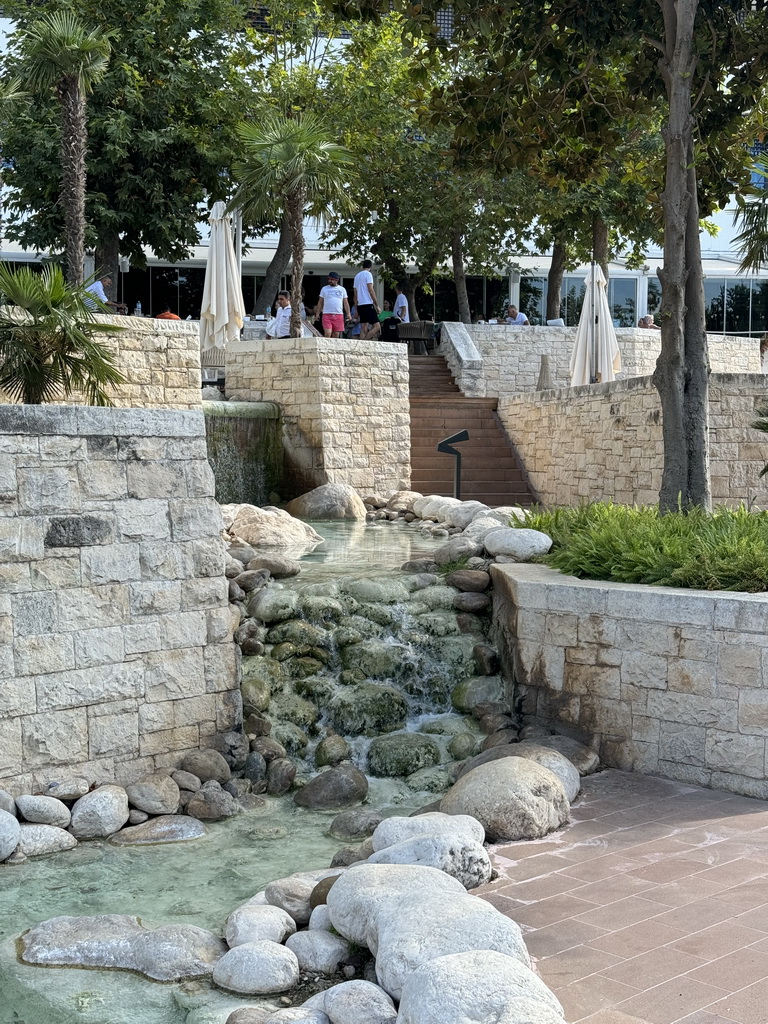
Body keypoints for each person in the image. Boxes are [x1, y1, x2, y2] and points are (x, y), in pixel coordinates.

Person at [316, 271, 350, 338]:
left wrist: (348, 313)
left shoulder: (342, 289)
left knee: (336, 335)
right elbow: (320, 302)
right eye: (329, 279)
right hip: (327, 314)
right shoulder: (324, 289)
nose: (330, 281)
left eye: (331, 279)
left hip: (338, 314)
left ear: (336, 280)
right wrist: (317, 313)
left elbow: (345, 303)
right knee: (328, 333)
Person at [353, 259, 379, 340]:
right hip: (368, 303)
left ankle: (362, 345)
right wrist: (377, 305)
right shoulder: (368, 274)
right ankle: (365, 341)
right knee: (377, 326)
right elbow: (371, 290)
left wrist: (356, 308)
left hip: (360, 305)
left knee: (363, 328)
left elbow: (355, 294)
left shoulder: (357, 276)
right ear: (370, 267)